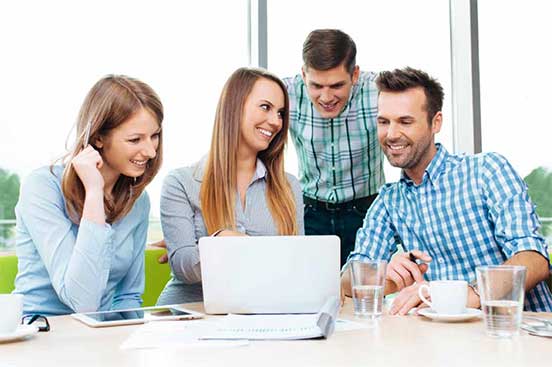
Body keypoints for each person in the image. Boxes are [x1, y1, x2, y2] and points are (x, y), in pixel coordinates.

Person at [341, 67, 552, 313]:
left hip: (519, 333)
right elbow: (346, 281)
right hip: (446, 342)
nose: (391, 134)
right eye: (383, 122)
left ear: (436, 122)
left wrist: (466, 295)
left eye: (405, 122)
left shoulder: (486, 171)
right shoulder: (389, 201)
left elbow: (534, 259)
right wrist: (379, 274)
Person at [13, 75, 163, 316]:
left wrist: (134, 340)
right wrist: (94, 193)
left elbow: (129, 296)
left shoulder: (138, 201)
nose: (150, 151)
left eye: (154, 135)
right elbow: (82, 301)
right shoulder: (42, 187)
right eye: (135, 139)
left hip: (99, 335)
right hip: (43, 331)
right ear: (98, 138)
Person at [156, 67, 304, 305]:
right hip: (190, 313)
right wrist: (220, 241)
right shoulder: (180, 183)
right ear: (234, 107)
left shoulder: (289, 187)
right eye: (265, 107)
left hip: (262, 311)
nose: (276, 121)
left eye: (281, 113)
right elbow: (184, 267)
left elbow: (295, 266)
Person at [283, 29, 385, 266]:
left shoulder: (379, 92)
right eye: (316, 86)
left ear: (355, 74)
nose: (326, 97)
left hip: (366, 212)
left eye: (337, 85)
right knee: (311, 294)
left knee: (365, 292)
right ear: (303, 75)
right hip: (311, 212)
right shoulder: (284, 93)